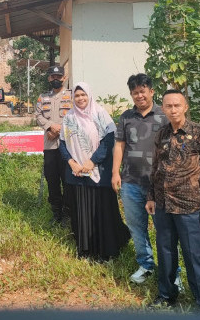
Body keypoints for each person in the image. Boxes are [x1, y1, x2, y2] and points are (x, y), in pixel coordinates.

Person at [146, 89, 200, 314]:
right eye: (168, 106)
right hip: (164, 205)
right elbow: (155, 168)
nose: (173, 110)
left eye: (177, 105)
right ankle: (166, 295)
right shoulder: (161, 134)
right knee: (166, 253)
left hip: (191, 206)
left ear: (185, 107)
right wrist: (151, 196)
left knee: (195, 256)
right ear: (163, 109)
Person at [112, 74, 180, 287]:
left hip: (159, 184)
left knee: (165, 230)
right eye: (135, 92)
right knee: (136, 226)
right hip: (131, 182)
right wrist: (115, 173)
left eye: (142, 91)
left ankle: (173, 273)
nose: (139, 95)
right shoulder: (126, 117)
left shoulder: (164, 115)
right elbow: (119, 145)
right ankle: (146, 264)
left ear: (151, 91)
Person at [60, 82, 130, 261]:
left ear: (89, 95)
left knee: (102, 211)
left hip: (99, 171)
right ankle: (86, 250)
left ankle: (107, 251)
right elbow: (62, 143)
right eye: (77, 96)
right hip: (77, 174)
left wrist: (92, 161)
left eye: (83, 95)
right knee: (81, 212)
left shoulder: (100, 114)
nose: (80, 98)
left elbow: (108, 141)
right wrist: (72, 162)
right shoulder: (69, 117)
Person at [35, 64, 73, 223]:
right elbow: (38, 116)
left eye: (59, 76)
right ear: (49, 78)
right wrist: (50, 126)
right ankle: (56, 212)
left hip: (68, 145)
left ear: (64, 77)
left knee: (67, 180)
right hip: (49, 146)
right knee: (52, 179)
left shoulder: (72, 95)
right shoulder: (43, 97)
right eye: (53, 76)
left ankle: (68, 213)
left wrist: (57, 130)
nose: (56, 79)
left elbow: (76, 116)